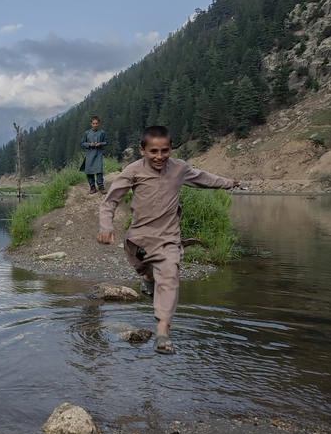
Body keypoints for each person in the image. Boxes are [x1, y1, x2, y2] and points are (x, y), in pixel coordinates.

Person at [96, 126, 239, 355]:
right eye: (153, 151)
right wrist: (106, 226)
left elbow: (203, 178)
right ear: (142, 150)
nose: (159, 157)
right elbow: (110, 201)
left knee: (170, 273)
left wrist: (228, 183)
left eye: (165, 151)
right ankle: (149, 277)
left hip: (169, 238)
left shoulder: (179, 168)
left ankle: (163, 331)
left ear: (171, 148)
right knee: (147, 268)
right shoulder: (133, 171)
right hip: (138, 240)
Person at [80, 116, 108, 194]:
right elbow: (82, 143)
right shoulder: (87, 133)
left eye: (96, 123)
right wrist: (89, 144)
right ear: (91, 124)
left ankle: (101, 185)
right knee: (89, 170)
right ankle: (92, 186)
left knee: (99, 170)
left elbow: (106, 142)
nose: (95, 125)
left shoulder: (102, 133)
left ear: (99, 123)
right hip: (90, 154)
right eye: (93, 123)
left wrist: (100, 144)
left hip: (98, 153)